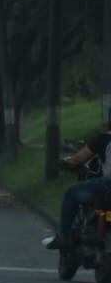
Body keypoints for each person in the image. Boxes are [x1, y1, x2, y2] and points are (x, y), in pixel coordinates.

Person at [46, 107, 111, 251]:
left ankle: (63, 236)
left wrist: (66, 162)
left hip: (106, 186)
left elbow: (79, 159)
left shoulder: (104, 139)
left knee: (71, 194)